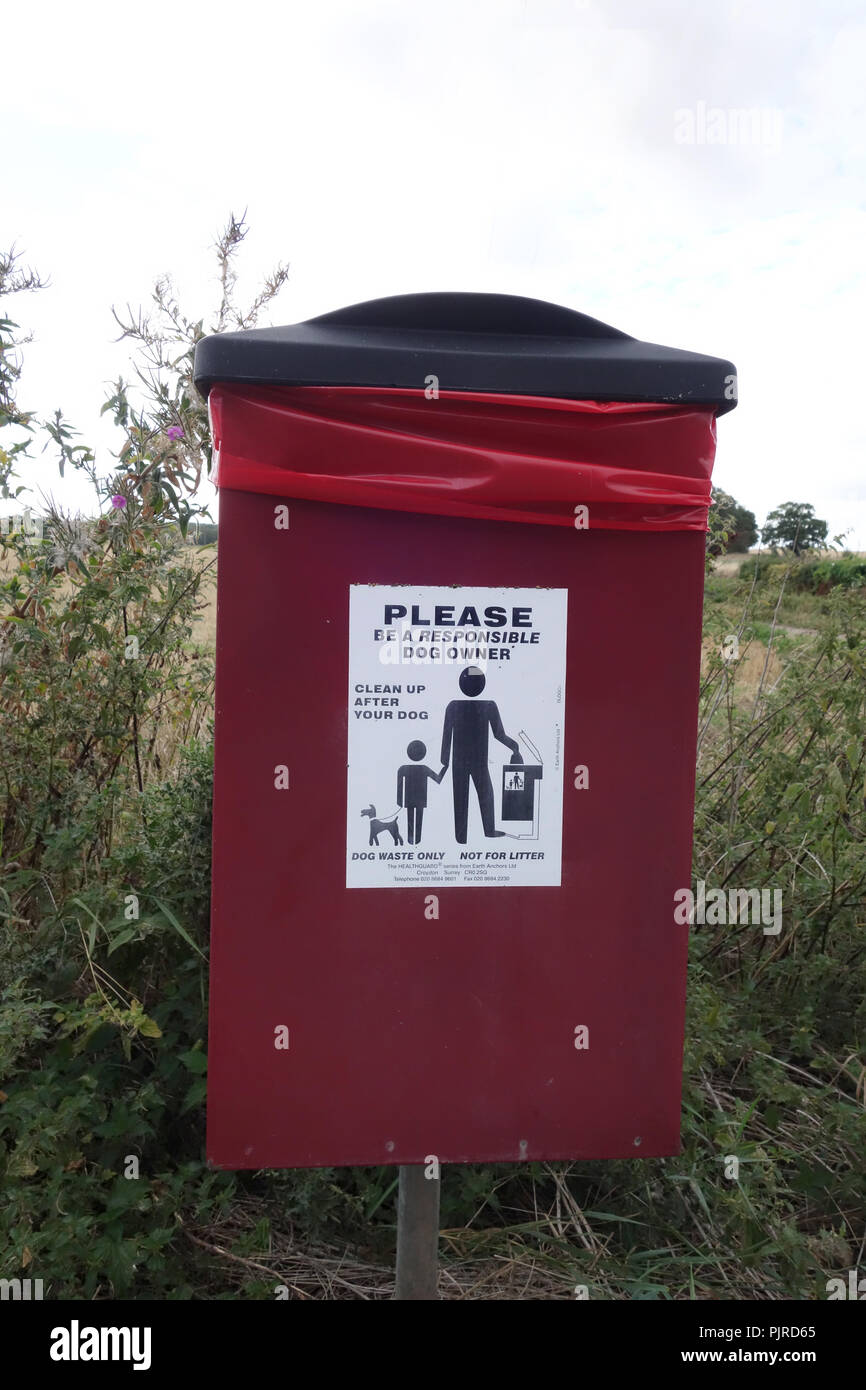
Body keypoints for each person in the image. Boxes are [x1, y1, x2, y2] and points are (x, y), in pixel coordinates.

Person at [440, 666, 521, 843]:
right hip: (478, 761)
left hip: (459, 762)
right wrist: (514, 746)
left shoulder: (453, 706)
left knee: (461, 798)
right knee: (486, 795)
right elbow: (499, 734)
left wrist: (444, 761)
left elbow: (446, 736)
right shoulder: (489, 705)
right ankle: (489, 830)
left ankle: (461, 838)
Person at [396, 740, 446, 845]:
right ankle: (416, 841)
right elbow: (438, 779)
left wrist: (400, 802)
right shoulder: (424, 768)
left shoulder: (403, 768)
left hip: (411, 800)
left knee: (411, 819)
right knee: (417, 820)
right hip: (419, 800)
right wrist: (444, 769)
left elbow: (399, 788)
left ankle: (412, 841)